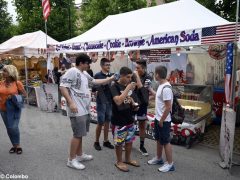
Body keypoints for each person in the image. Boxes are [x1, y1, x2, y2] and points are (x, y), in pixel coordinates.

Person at [60, 53, 115, 170]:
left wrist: (109, 79)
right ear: (81, 63)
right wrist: (71, 102)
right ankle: (71, 159)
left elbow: (95, 81)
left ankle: (79, 155)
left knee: (81, 134)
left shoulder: (84, 73)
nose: (89, 65)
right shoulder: (72, 71)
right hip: (77, 108)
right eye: (87, 63)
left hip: (84, 108)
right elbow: (63, 87)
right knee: (77, 134)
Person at [110, 67, 140, 172]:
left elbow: (133, 101)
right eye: (127, 77)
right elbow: (118, 101)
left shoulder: (129, 87)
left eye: (130, 77)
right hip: (118, 120)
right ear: (121, 75)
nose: (129, 79)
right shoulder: (114, 86)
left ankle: (127, 159)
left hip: (129, 119)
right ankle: (119, 161)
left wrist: (134, 105)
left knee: (129, 141)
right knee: (119, 142)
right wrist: (127, 88)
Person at [147, 65, 175, 172]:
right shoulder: (161, 85)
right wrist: (150, 89)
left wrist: (162, 120)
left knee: (166, 141)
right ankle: (159, 158)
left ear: (158, 75)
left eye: (155, 73)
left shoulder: (166, 88)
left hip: (164, 120)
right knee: (159, 139)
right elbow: (158, 96)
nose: (154, 75)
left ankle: (170, 164)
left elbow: (168, 107)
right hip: (158, 118)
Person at [0, 65, 26, 154]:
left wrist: (13, 96)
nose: (3, 73)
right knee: (9, 128)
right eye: (3, 71)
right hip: (3, 109)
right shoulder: (1, 83)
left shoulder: (17, 83)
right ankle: (14, 145)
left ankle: (18, 145)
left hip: (14, 109)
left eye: (5, 71)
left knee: (13, 127)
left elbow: (25, 95)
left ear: (11, 72)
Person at [92, 58, 114, 151]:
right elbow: (93, 89)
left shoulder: (112, 75)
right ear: (101, 66)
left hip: (110, 101)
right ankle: (96, 142)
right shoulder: (97, 75)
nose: (108, 66)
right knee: (100, 122)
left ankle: (106, 141)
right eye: (106, 65)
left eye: (109, 65)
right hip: (101, 101)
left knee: (107, 122)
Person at [135, 60, 152, 156]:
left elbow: (144, 92)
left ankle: (142, 146)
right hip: (133, 103)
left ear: (143, 68)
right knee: (129, 124)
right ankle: (126, 142)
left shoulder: (148, 78)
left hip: (142, 105)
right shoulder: (134, 75)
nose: (136, 70)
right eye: (136, 67)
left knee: (142, 125)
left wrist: (137, 77)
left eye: (138, 68)